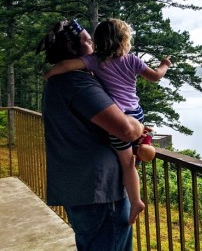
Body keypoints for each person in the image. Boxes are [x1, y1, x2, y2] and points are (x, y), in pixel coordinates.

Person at [44, 18, 172, 225]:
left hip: (90, 174)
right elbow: (155, 78)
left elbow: (65, 65)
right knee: (131, 160)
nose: (91, 45)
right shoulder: (128, 62)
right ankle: (138, 183)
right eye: (87, 41)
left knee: (127, 163)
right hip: (132, 121)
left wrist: (49, 73)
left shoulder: (93, 62)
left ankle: (136, 197)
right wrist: (164, 64)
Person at [37, 19, 145, 251]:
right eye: (87, 41)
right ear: (74, 50)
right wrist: (137, 124)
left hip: (81, 187)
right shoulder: (78, 83)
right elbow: (126, 130)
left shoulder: (60, 80)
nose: (94, 45)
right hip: (99, 192)